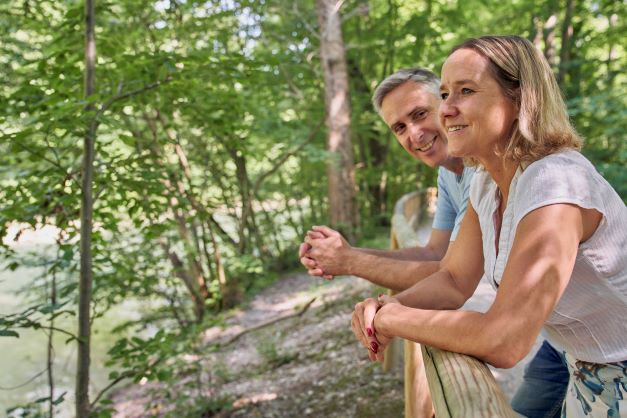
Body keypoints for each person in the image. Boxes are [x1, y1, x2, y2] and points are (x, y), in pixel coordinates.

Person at [351, 35, 626, 418]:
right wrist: (385, 305)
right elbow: (453, 279)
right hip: (584, 368)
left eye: (465, 91)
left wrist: (394, 319)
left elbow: (505, 340)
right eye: (445, 94)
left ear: (519, 98)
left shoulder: (555, 184)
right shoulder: (485, 181)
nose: (446, 110)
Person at [299, 68, 471, 293]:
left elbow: (454, 280)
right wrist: (347, 253)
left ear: (446, 103)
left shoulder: (482, 170)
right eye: (400, 128)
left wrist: (350, 262)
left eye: (419, 114)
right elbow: (435, 253)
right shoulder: (447, 173)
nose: (415, 134)